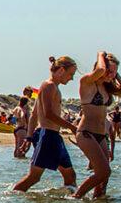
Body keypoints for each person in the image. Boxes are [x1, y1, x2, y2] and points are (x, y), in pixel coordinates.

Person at [73, 51, 121, 199]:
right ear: (101, 66)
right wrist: (101, 54)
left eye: (115, 72)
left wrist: (115, 75)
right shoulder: (87, 82)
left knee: (104, 180)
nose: (111, 74)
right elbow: (99, 71)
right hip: (86, 133)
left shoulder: (107, 88)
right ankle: (75, 197)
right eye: (109, 70)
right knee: (103, 172)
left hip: (101, 135)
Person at [14, 56, 79, 192]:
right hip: (47, 136)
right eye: (71, 74)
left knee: (70, 175)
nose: (71, 78)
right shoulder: (48, 86)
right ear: (61, 70)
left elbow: (34, 114)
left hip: (54, 136)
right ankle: (12, 198)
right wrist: (72, 127)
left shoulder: (52, 86)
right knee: (34, 177)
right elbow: (48, 114)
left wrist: (29, 137)